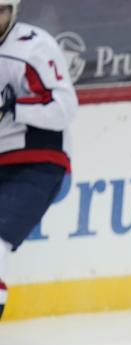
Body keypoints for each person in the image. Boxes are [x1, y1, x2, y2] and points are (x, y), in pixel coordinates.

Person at [0, 0, 78, 319]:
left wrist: (14, 108)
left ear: (12, 10)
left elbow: (64, 108)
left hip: (36, 162)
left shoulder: (34, 47)